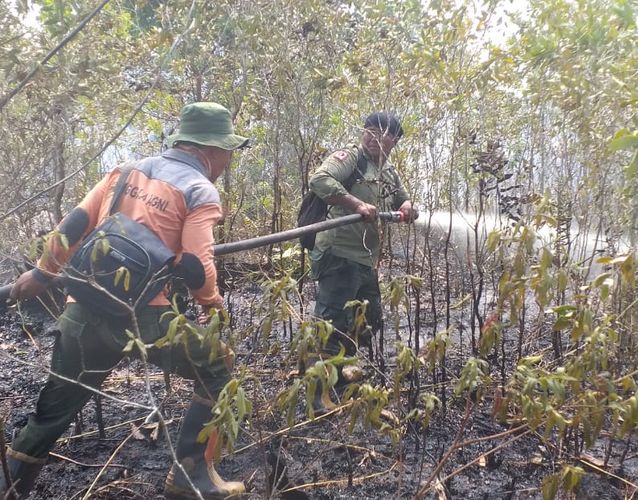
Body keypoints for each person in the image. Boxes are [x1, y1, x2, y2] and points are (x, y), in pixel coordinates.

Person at [1, 102, 248, 499]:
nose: (228, 161)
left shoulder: (125, 171)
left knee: (53, 411)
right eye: (228, 152)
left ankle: (10, 486)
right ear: (210, 150)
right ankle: (191, 477)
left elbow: (74, 226)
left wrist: (44, 273)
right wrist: (213, 308)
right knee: (217, 363)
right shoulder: (201, 190)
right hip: (145, 320)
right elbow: (198, 266)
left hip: (81, 309)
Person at [308, 112, 417, 413]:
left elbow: (402, 200)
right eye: (368, 131)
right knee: (330, 324)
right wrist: (355, 204)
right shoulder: (350, 159)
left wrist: (408, 207)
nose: (370, 138)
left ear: (393, 141)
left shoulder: (388, 171)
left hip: (365, 259)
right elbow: (319, 180)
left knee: (366, 320)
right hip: (338, 254)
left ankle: (341, 377)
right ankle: (318, 395)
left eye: (379, 134)